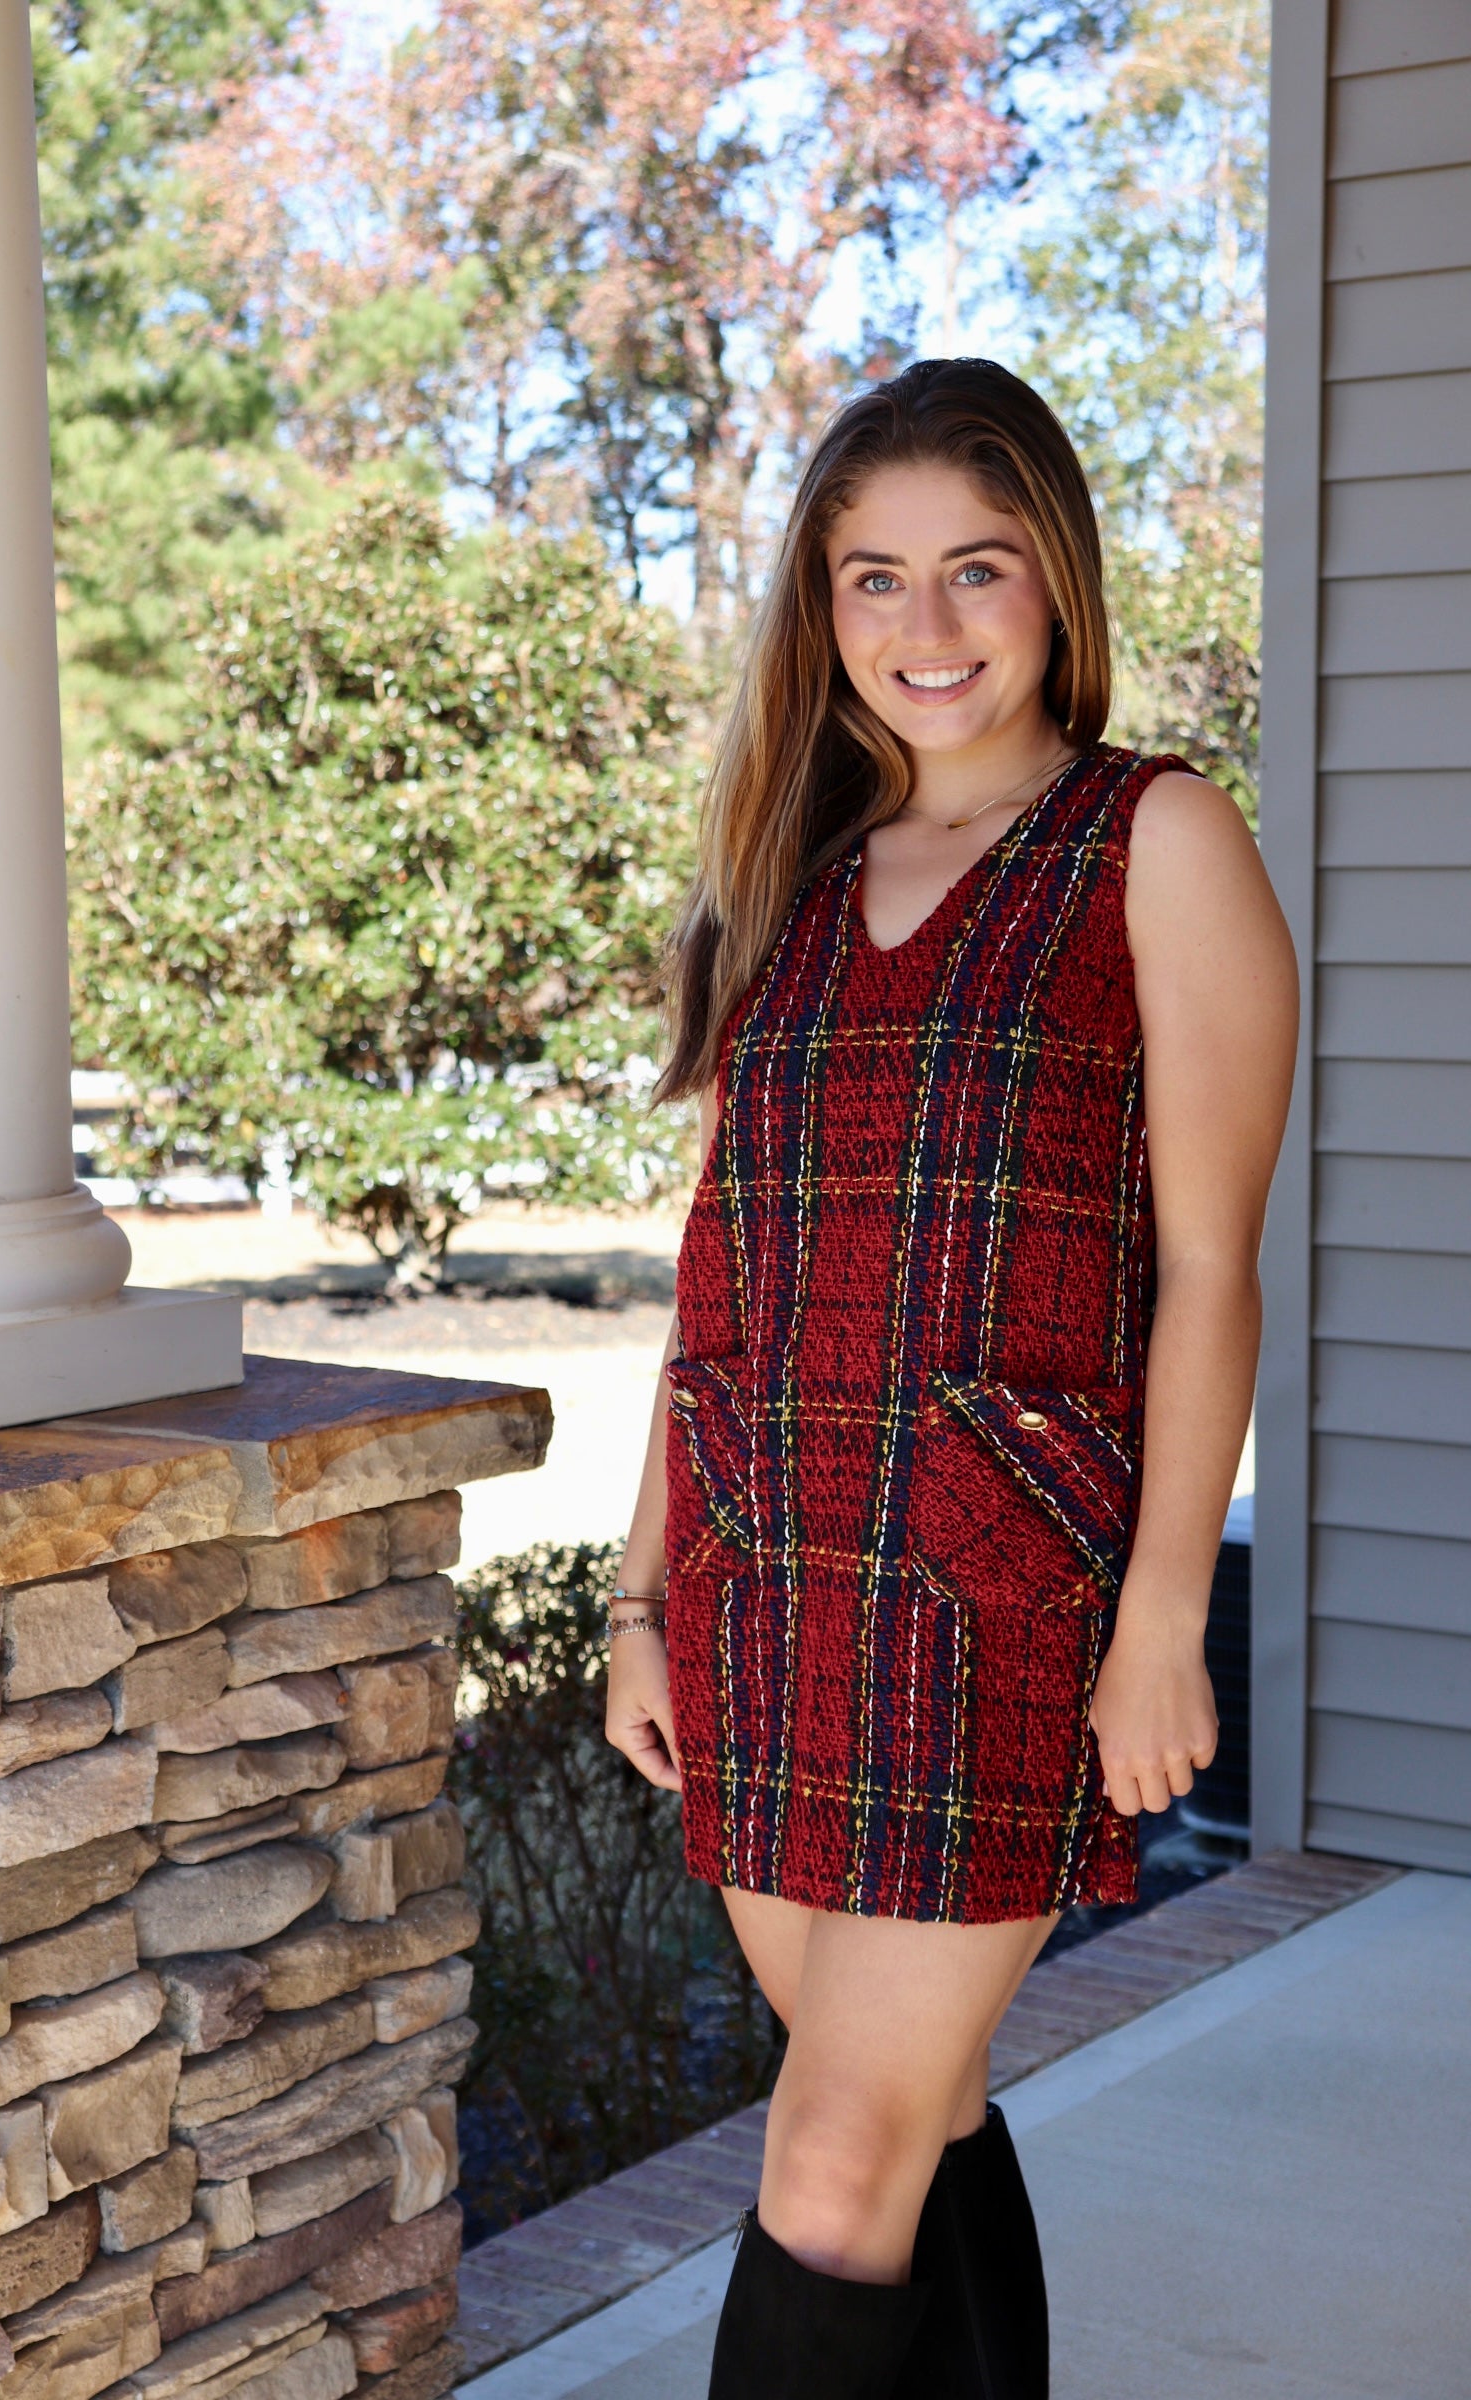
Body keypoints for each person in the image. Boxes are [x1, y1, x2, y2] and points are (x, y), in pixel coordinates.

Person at [605, 357, 1297, 2400]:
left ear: (1054, 585)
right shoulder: (790, 877)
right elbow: (711, 1273)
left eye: (972, 571)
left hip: (992, 1605)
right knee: (915, 2119)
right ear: (817, 611)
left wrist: (1161, 1620)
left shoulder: (1145, 839)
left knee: (825, 2170)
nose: (923, 631)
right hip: (764, 1579)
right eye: (870, 579)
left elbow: (1207, 1267)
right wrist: (643, 1595)